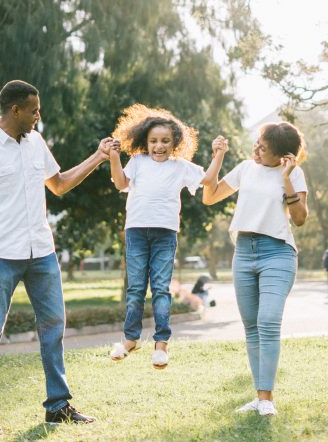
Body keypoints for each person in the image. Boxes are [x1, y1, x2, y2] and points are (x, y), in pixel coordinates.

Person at [0, 80, 111, 433]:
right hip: (0, 255)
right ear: (15, 110)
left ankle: (58, 406)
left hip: (41, 253)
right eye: (33, 110)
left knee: (54, 327)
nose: (38, 116)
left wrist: (99, 156)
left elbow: (59, 184)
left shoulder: (36, 142)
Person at [202, 122, 308, 416]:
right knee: (251, 327)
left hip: (278, 252)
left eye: (264, 148)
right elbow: (209, 197)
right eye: (257, 143)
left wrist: (286, 178)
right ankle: (260, 397)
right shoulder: (246, 168)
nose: (257, 150)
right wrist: (218, 156)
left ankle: (266, 399)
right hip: (244, 252)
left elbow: (300, 218)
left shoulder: (294, 173)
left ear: (283, 156)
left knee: (268, 321)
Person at [107, 104, 224, 369]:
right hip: (136, 231)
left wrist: (218, 154)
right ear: (145, 142)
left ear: (175, 143)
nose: (159, 146)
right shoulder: (138, 162)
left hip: (165, 234)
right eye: (153, 141)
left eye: (165, 141)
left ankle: (161, 345)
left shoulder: (180, 166)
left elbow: (208, 179)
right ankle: (130, 340)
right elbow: (121, 183)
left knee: (160, 288)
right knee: (136, 289)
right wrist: (114, 157)